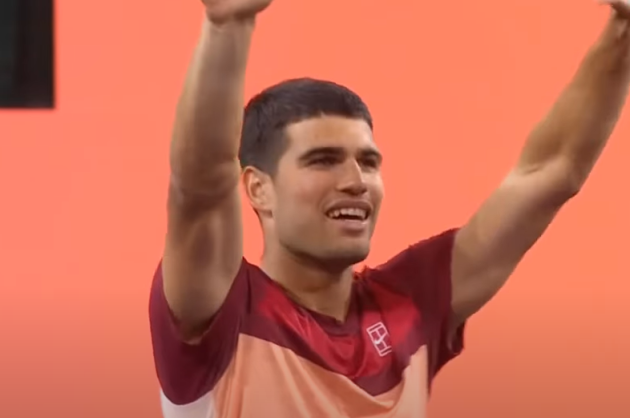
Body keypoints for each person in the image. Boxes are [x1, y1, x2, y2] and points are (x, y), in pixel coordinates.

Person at [149, 0, 630, 417]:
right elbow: (201, 185)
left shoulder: (412, 302)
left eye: (368, 162)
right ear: (258, 188)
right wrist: (227, 26)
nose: (356, 181)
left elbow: (549, 173)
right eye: (323, 160)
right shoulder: (220, 310)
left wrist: (624, 33)